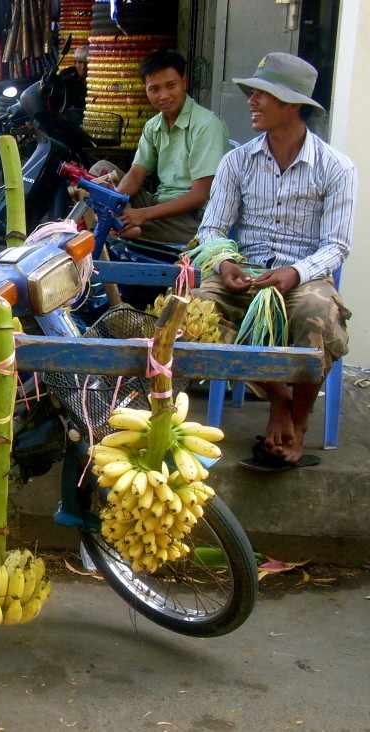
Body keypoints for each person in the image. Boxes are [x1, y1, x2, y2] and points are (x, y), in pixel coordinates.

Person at [194, 52, 355, 469]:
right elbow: (211, 230)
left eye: (263, 94)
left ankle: (297, 427)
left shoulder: (336, 168)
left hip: (304, 276)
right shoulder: (236, 162)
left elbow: (336, 245)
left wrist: (295, 272)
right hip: (245, 274)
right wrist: (226, 263)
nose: (251, 102)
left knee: (316, 312)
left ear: (293, 105)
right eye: (252, 93)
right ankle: (280, 401)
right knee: (194, 311)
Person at [92, 49, 230, 244]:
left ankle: (123, 227)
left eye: (171, 85)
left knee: (111, 226)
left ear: (184, 81)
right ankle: (120, 224)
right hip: (159, 207)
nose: (164, 95)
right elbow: (138, 172)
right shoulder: (153, 126)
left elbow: (199, 196)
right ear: (146, 89)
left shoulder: (207, 125)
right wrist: (115, 200)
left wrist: (142, 215)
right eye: (154, 89)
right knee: (100, 170)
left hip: (194, 220)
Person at [58, 45, 88, 121]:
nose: (83, 66)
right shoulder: (67, 75)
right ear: (75, 62)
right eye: (80, 62)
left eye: (86, 63)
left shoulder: (96, 79)